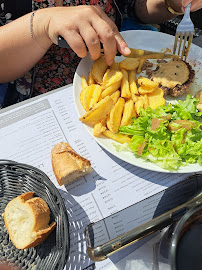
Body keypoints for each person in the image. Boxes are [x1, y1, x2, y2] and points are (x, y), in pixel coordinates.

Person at [0, 0, 202, 107]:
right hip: (37, 103)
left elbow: (132, 7)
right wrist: (43, 24)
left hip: (118, 74)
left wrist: (171, 4)